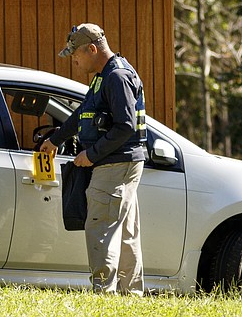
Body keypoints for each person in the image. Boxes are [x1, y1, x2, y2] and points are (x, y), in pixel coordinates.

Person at [40, 23, 147, 295]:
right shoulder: (103, 76)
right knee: (125, 233)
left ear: (92, 48)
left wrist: (91, 154)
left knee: (100, 228)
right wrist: (56, 139)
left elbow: (125, 126)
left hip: (115, 163)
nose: (74, 60)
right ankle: (130, 295)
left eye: (76, 55)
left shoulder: (117, 77)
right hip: (118, 162)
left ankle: (103, 294)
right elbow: (82, 113)